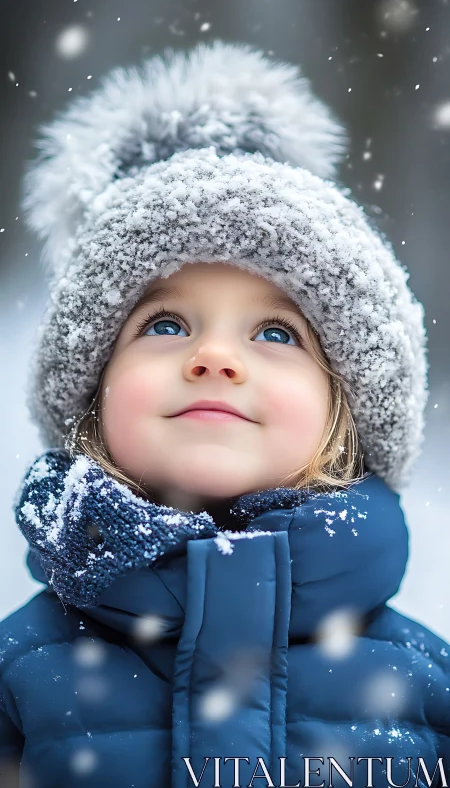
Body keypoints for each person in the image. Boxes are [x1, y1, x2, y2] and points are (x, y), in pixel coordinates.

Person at [0, 40, 448, 788]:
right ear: (92, 391)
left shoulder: (427, 694)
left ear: (347, 410)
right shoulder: (21, 676)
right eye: (165, 324)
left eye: (275, 333)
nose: (213, 356)